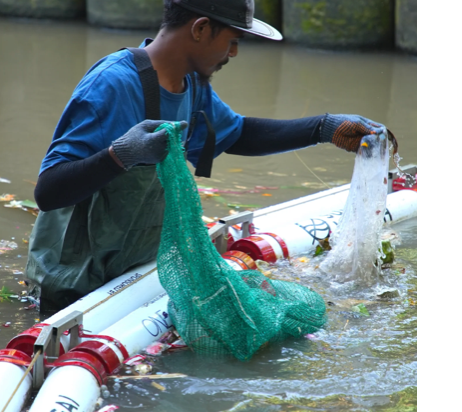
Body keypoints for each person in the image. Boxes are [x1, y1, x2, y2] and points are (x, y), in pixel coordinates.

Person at [26, 0, 395, 313]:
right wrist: (119, 155)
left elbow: (238, 134)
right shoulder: (113, 84)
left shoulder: (190, 85)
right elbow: (49, 190)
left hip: (132, 271)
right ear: (201, 29)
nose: (233, 54)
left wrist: (324, 128)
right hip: (72, 289)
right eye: (232, 41)